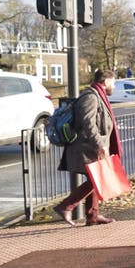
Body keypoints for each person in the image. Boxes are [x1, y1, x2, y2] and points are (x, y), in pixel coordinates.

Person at [54, 68, 120, 226]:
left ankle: (92, 216)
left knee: (95, 178)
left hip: (89, 147)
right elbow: (88, 122)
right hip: (86, 147)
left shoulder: (97, 95)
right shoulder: (90, 97)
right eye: (113, 82)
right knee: (97, 178)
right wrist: (99, 144)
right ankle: (66, 206)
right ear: (105, 82)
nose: (114, 86)